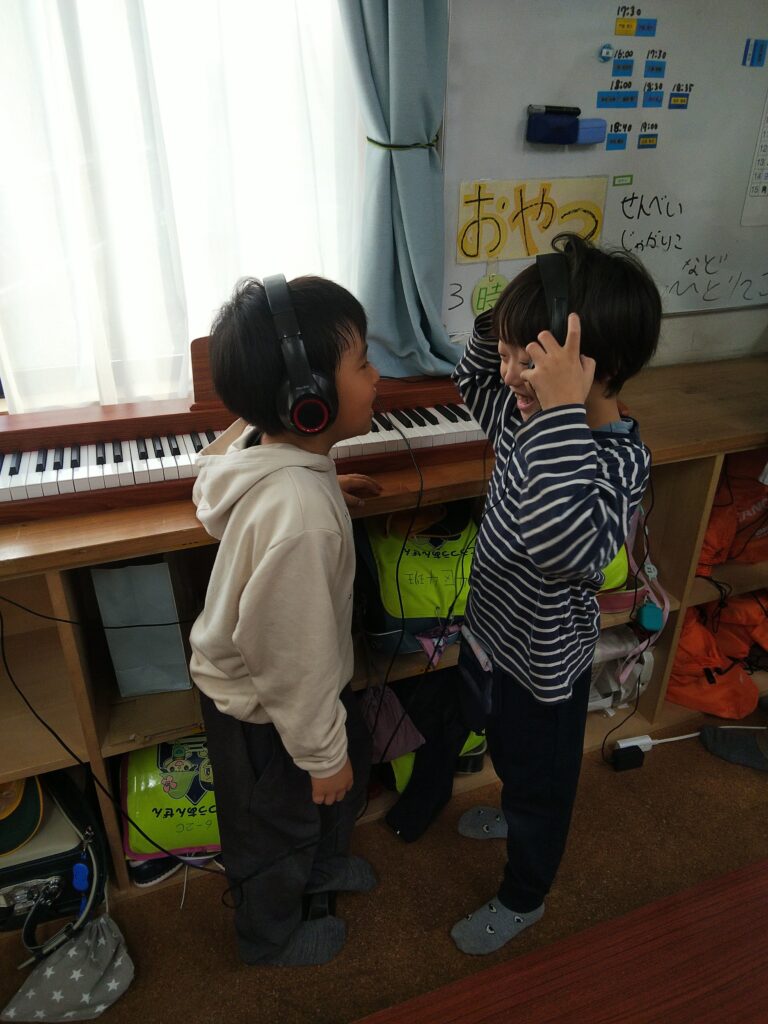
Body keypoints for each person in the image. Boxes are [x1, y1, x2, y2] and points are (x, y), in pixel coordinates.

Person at [450, 232, 662, 955]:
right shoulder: (526, 416)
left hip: (545, 668)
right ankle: (515, 807)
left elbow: (562, 545)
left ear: (597, 370)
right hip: (494, 637)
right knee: (506, 750)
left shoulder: (616, 461)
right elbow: (471, 379)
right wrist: (505, 321)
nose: (509, 372)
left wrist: (561, 415)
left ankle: (526, 893)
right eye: (510, 353)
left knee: (543, 784)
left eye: (529, 358)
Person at [188, 274, 382, 966]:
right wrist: (321, 755)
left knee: (336, 784)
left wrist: (322, 483)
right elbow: (290, 660)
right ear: (309, 401)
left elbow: (273, 496)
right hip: (266, 710)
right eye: (363, 363)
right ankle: (268, 938)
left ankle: (322, 871)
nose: (377, 376)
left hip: (296, 697)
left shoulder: (273, 460)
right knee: (277, 827)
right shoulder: (298, 521)